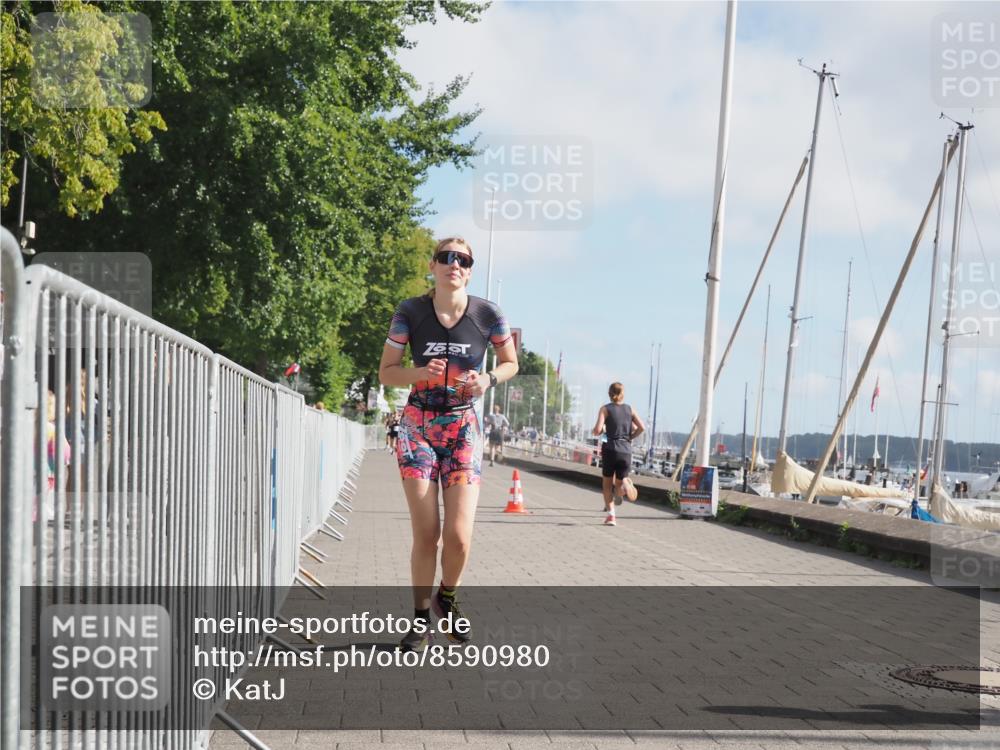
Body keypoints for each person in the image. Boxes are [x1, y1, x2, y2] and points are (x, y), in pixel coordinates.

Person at [379, 237, 518, 652]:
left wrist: (487, 379)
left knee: (458, 537)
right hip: (418, 426)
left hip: (463, 429)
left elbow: (510, 363)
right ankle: (420, 618)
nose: (453, 264)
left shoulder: (488, 314)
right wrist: (419, 372)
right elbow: (387, 372)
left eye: (462, 259)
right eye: (446, 257)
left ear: (470, 270)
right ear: (433, 265)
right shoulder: (410, 312)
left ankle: (448, 597)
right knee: (427, 533)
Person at [591, 382, 644, 527]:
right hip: (625, 449)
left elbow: (597, 430)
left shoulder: (605, 409)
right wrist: (630, 437)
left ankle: (611, 516)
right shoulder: (630, 409)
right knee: (618, 484)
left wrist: (599, 430)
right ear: (623, 394)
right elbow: (641, 427)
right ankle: (625, 483)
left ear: (609, 394)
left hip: (610, 447)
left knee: (607, 485)